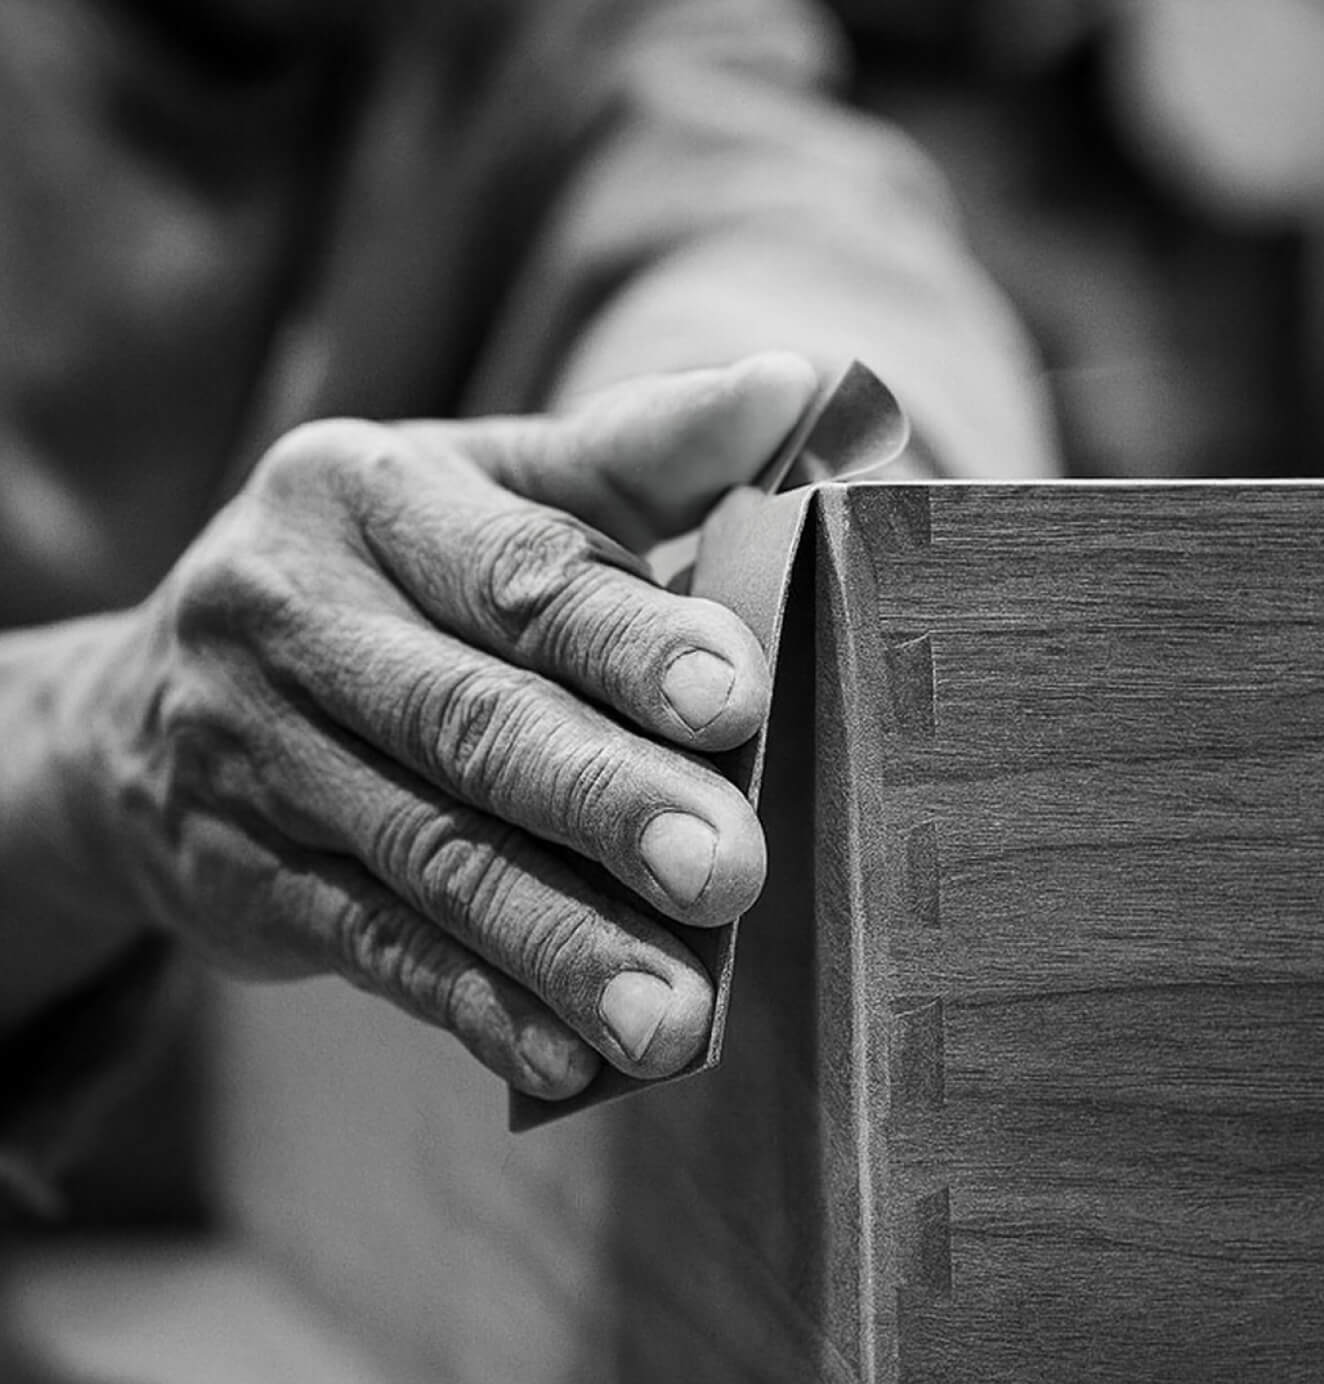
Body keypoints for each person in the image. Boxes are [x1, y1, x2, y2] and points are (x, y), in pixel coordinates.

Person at [0, 0, 1057, 1202]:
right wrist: (81, 754)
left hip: (346, 1238)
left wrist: (754, 523)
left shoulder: (545, 34)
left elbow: (784, 219)